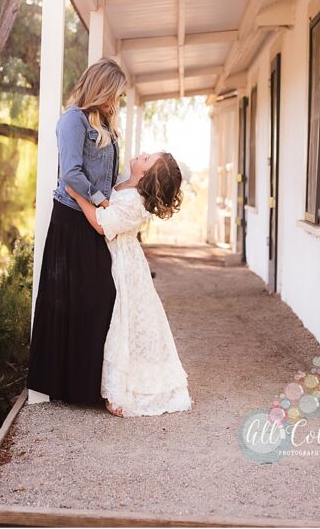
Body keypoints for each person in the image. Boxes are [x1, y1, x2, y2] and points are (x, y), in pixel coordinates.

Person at [26, 58, 127, 406]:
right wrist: (100, 202)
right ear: (101, 87)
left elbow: (109, 175)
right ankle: (67, 388)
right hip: (71, 219)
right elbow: (70, 173)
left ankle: (87, 386)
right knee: (71, 301)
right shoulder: (73, 120)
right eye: (115, 93)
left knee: (100, 298)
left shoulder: (106, 124)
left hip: (94, 217)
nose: (118, 100)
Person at [67, 151, 193, 418]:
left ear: (144, 175)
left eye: (147, 158)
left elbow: (103, 225)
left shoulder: (135, 202)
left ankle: (123, 391)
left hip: (124, 264)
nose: (142, 154)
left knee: (126, 322)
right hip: (117, 258)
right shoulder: (123, 183)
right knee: (124, 322)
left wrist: (78, 195)